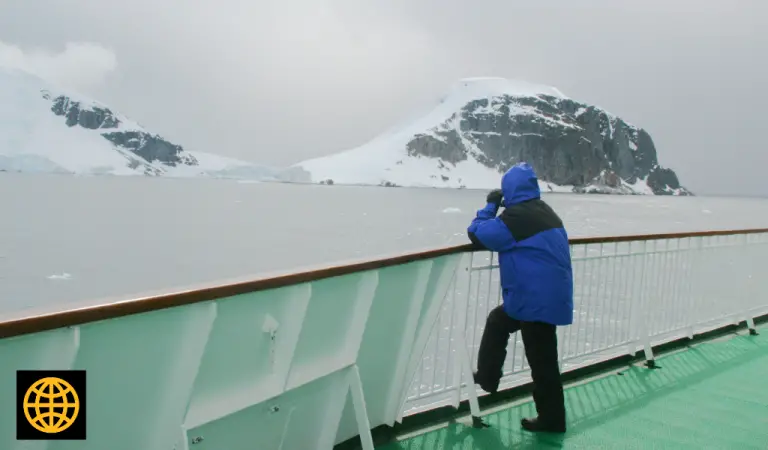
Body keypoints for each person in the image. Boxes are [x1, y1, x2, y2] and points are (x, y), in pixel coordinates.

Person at [466, 162, 573, 433]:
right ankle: (489, 377)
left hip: (534, 301)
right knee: (499, 321)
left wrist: (490, 205)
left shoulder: (517, 218)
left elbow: (477, 234)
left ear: (509, 191)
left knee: (542, 361)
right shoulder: (544, 211)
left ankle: (552, 420)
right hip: (544, 295)